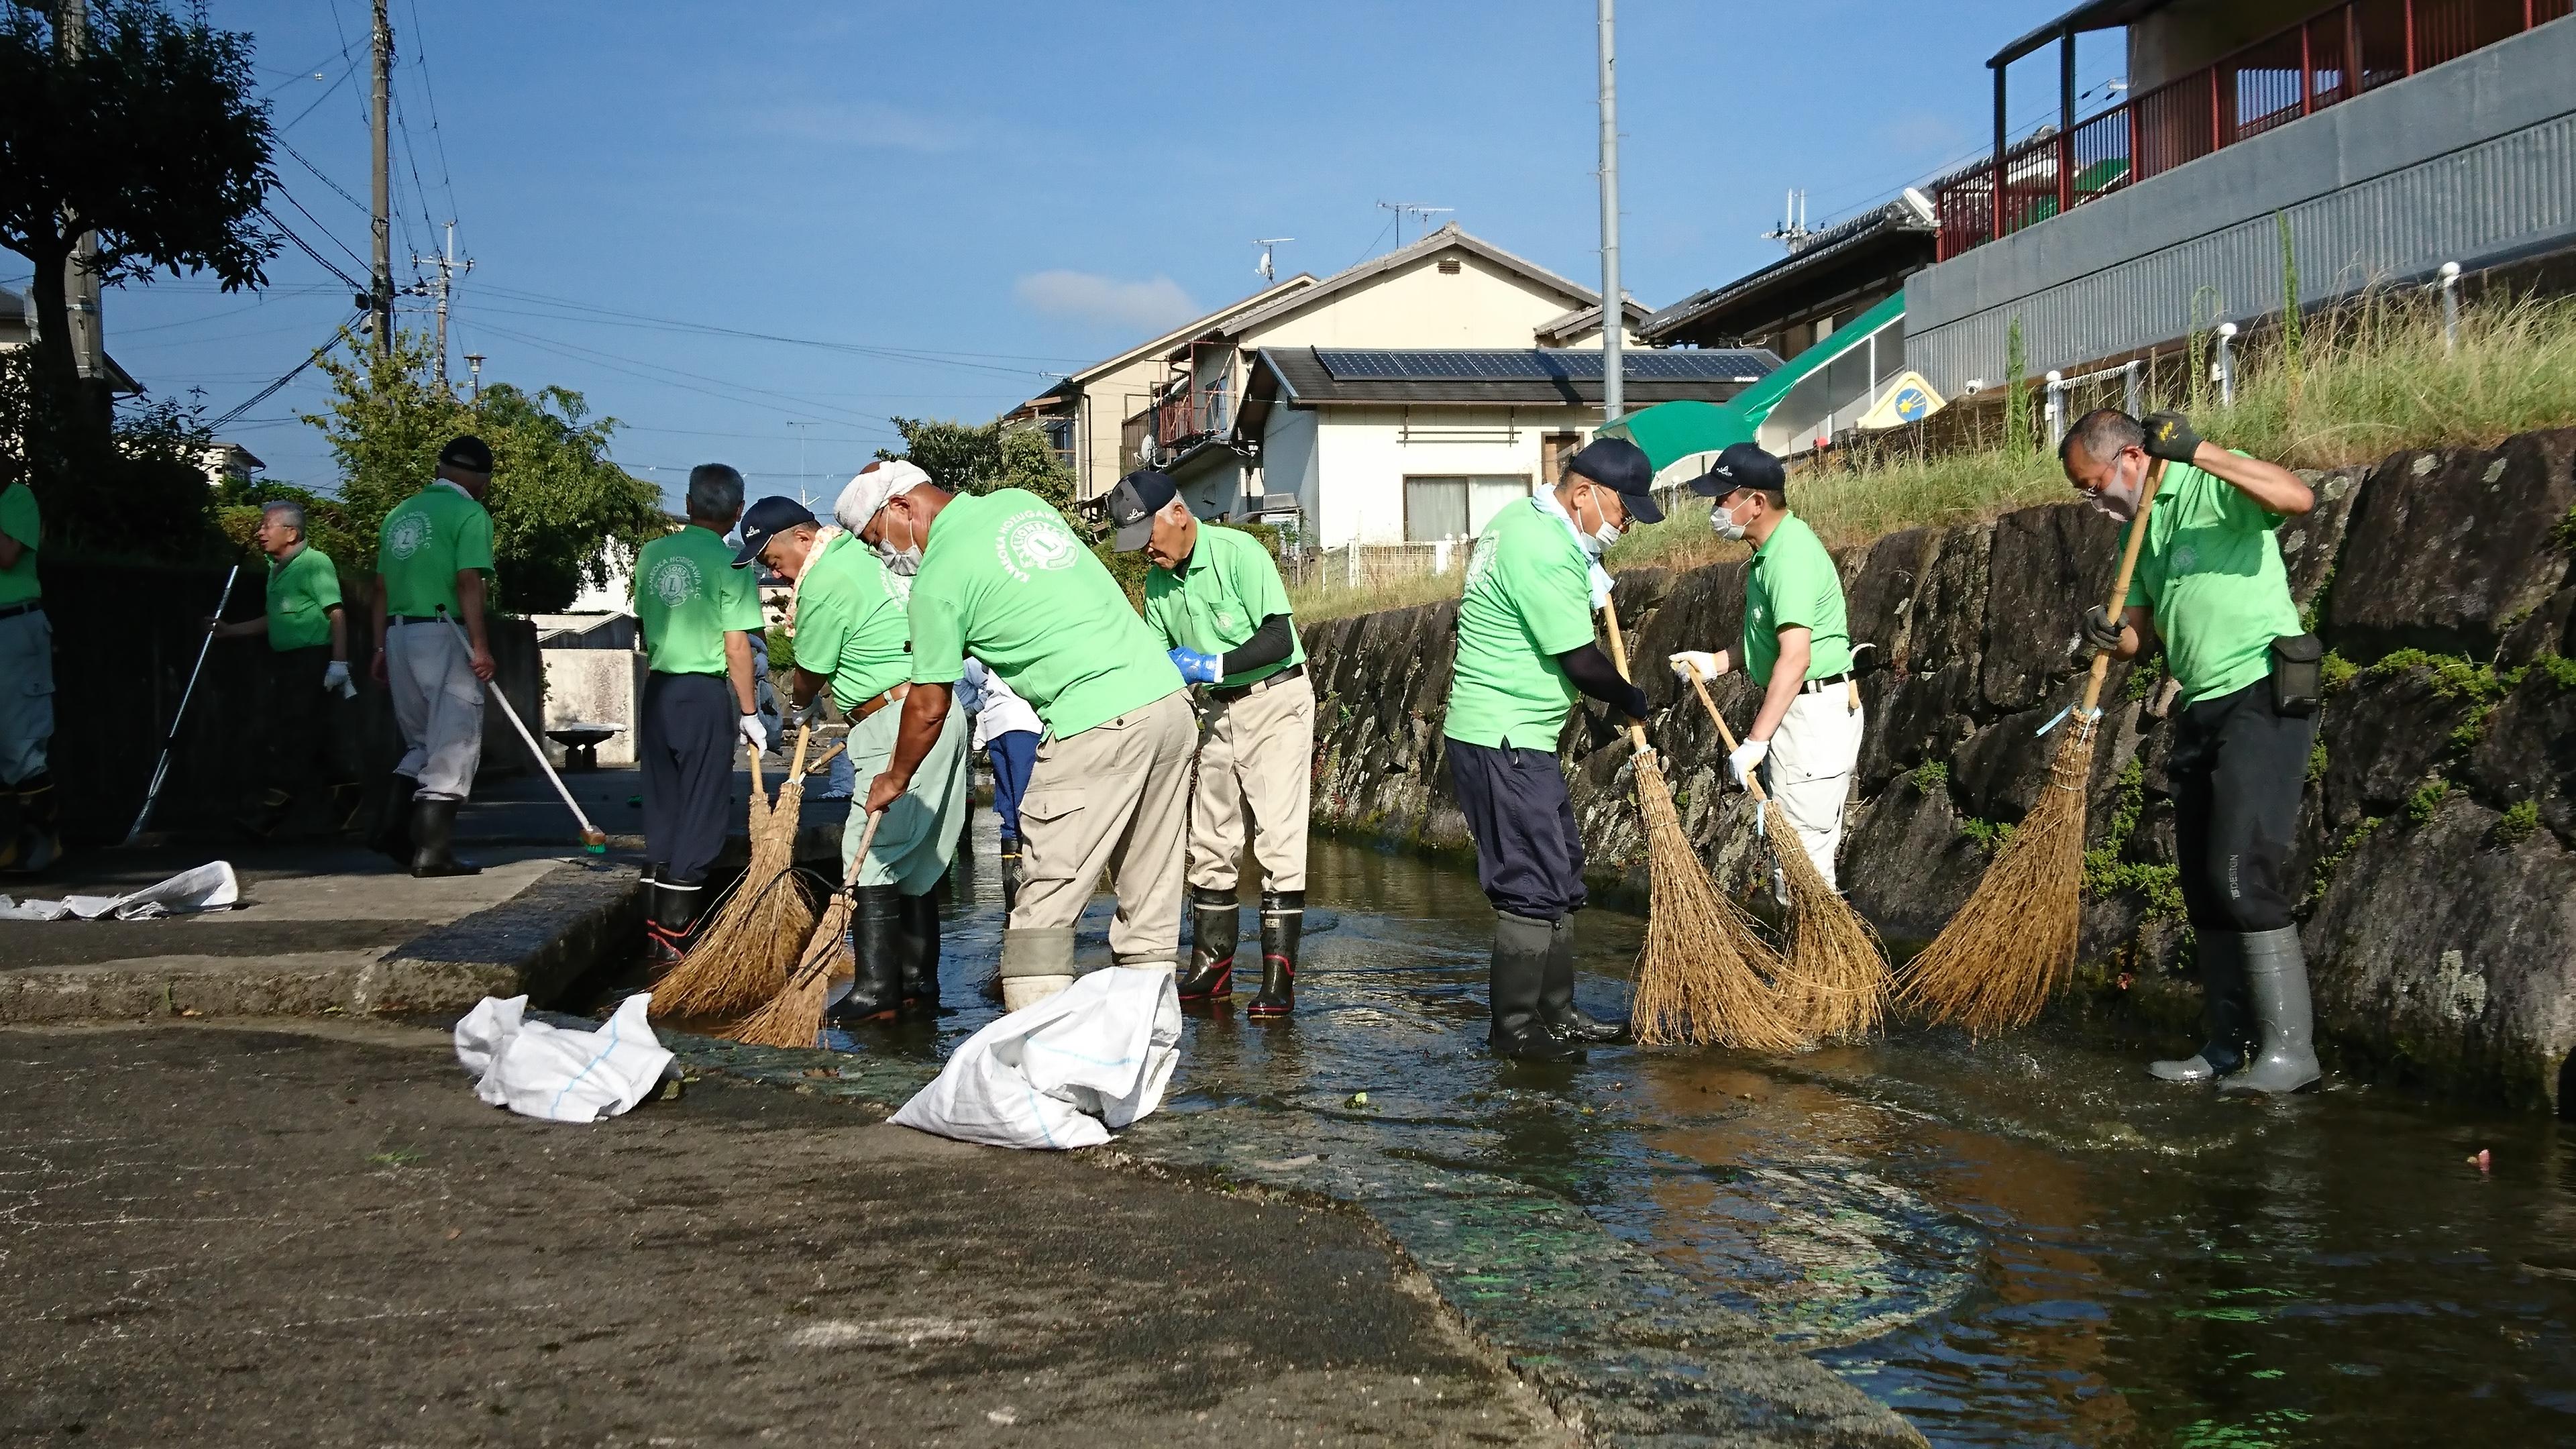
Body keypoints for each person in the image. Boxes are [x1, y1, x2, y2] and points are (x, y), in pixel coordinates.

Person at [851, 472, 1192, 1012]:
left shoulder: (937, 580)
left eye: (876, 540)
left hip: (1095, 719)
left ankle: (1033, 1073)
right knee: (1148, 898)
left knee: (1042, 908)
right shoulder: (1019, 502)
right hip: (1168, 704)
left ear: (901, 507)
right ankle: (1145, 1056)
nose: (882, 555)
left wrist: (893, 779)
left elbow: (928, 705)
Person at [2061, 409, 2322, 1094]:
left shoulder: (2210, 483)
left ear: (2130, 458)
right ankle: (2227, 1045)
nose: (2095, 501)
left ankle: (2291, 1057)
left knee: (2241, 874)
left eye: (2095, 485)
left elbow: (2297, 498)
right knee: (2204, 882)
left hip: (2262, 691)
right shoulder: (2140, 531)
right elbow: (2135, 637)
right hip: (2201, 703)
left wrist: (2198, 450)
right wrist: (2103, 631)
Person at [1444, 437, 1662, 1063]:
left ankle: (1557, 1013)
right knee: (1531, 884)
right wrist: (1629, 698)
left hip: (1520, 735)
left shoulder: (1529, 523)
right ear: (1584, 493)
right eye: (1624, 511)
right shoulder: (1542, 546)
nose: (1625, 526)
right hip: (1501, 735)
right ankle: (1513, 1030)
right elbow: (1578, 659)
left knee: (1560, 869)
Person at [741, 484, 970, 1021]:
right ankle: (916, 985)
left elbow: (812, 670)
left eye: (774, 560)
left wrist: (798, 704)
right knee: (917, 861)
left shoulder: (825, 579)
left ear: (802, 538)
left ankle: (874, 993)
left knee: (865, 856)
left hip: (896, 720)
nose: (775, 574)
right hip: (936, 709)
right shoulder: (864, 556)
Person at [1111, 467, 1313, 1016]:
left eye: (1147, 537)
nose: (1144, 553)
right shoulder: (1158, 582)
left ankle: (1278, 981)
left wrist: (1212, 662)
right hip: (1217, 710)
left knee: (1278, 838)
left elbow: (1278, 636)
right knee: (1211, 837)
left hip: (1275, 700)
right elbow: (1155, 661)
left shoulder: (1239, 552)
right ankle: (1211, 969)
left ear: (1178, 515)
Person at [1666, 443, 1866, 904]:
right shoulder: (1768, 554)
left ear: (1755, 503)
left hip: (1813, 718)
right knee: (1795, 861)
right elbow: (1770, 643)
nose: (1716, 509)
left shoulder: (1788, 558)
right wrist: (1714, 663)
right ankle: (1816, 966)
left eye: (1723, 498)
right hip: (1803, 714)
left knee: (1802, 868)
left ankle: (1824, 971)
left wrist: (1756, 741)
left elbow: (1795, 659)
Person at [631, 464, 766, 965]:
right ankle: (674, 938)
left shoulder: (651, 555)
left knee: (663, 807)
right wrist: (750, 711)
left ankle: (650, 936)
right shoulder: (732, 564)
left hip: (660, 688)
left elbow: (649, 623)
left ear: (687, 505)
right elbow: (737, 646)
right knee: (703, 811)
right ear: (737, 512)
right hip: (703, 693)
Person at [368, 434, 498, 878]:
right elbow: (468, 582)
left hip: (400, 634)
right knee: (455, 740)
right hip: (445, 634)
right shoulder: (469, 513)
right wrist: (480, 647)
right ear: (479, 479)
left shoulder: (400, 514)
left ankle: (391, 828)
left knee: (421, 741)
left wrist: (380, 646)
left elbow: (381, 589)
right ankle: (434, 851)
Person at [212, 501, 360, 841]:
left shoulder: (314, 563)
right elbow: (276, 617)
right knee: (318, 736)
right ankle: (348, 804)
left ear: (291, 533)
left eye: (268, 526)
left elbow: (336, 613)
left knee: (293, 732)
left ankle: (270, 811)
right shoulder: (276, 568)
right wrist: (230, 630)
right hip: (287, 660)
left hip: (311, 658)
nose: (260, 533)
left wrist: (339, 662)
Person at [0, 477, 56, 874]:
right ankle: (5, 841)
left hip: (13, 626)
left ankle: (42, 838)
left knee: (18, 739)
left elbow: (7, 554)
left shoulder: (16, 496)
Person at [959, 655, 1040, 909]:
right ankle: (1033, 902)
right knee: (1028, 810)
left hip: (996, 721)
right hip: (1023, 720)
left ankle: (1012, 908)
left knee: (1010, 816)